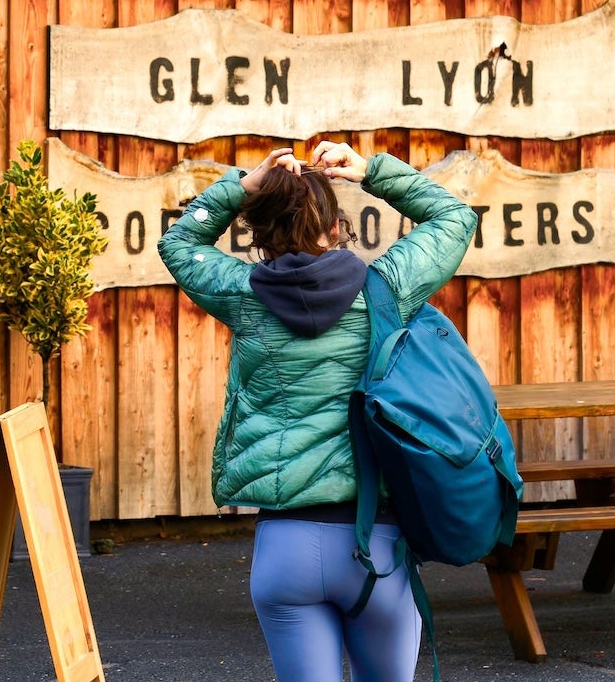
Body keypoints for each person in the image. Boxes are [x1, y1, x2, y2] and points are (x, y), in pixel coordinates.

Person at [157, 139, 478, 682]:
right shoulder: (387, 288)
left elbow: (179, 240)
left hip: (285, 552)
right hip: (376, 546)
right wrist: (370, 170)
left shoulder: (241, 294)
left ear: (260, 234)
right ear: (337, 229)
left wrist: (245, 184)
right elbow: (453, 216)